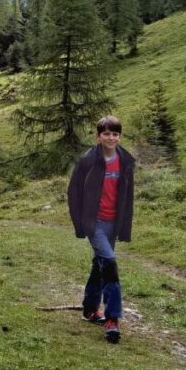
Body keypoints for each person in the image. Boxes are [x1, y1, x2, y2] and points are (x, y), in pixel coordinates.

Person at [67, 115, 135, 344]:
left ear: (120, 136)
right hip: (93, 222)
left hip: (112, 223)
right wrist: (80, 224)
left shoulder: (125, 161)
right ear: (98, 137)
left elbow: (128, 197)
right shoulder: (87, 161)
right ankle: (112, 319)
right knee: (110, 264)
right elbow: (73, 192)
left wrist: (124, 225)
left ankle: (89, 310)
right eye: (106, 134)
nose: (111, 137)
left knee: (100, 266)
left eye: (115, 134)